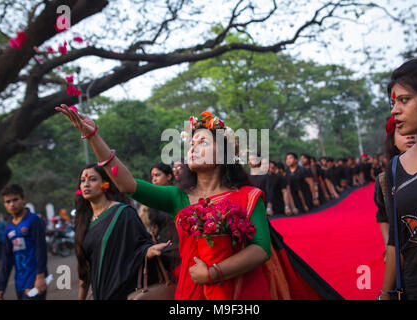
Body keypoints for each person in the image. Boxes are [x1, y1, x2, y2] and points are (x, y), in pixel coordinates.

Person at [56, 106, 342, 300]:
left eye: (202, 141)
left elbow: (261, 250)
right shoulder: (178, 197)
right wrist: (94, 136)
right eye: (191, 143)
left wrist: (213, 273)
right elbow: (127, 184)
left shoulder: (246, 196)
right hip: (192, 292)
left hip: (244, 291)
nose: (193, 146)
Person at [380, 58, 417, 300]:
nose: (395, 111)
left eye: (404, 100)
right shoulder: (395, 169)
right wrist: (385, 295)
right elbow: (397, 243)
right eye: (393, 103)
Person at [74, 164, 170, 300]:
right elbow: (85, 269)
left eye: (92, 179)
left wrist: (148, 251)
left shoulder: (123, 213)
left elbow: (141, 245)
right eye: (83, 181)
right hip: (100, 293)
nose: (86, 184)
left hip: (123, 291)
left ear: (105, 184)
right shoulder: (83, 222)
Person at [375, 115, 416, 264]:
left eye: (415, 130)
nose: (410, 136)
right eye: (402, 131)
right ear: (392, 140)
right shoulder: (384, 179)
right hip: (403, 252)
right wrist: (389, 246)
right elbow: (383, 215)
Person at [0, 184, 48, 300]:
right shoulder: (8, 227)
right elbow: (7, 258)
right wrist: (1, 287)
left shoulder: (34, 221)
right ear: (4, 204)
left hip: (35, 278)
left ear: (23, 199)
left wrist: (40, 276)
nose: (12, 204)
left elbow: (41, 249)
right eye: (7, 202)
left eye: (15, 200)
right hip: (20, 281)